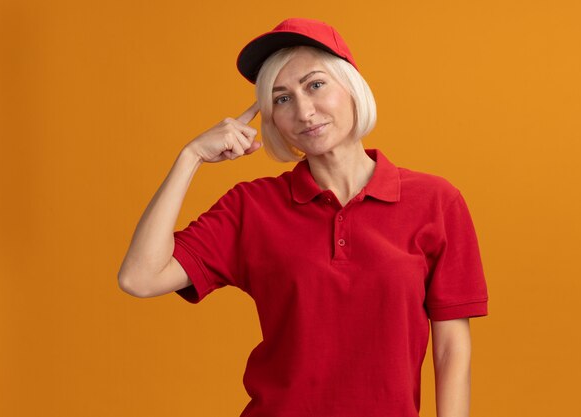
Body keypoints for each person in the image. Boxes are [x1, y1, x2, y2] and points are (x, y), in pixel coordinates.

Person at [118, 17, 489, 417]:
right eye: (281, 99)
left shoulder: (436, 201)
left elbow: (451, 349)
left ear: (351, 87)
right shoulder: (252, 207)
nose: (304, 111)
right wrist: (189, 158)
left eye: (315, 85)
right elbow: (139, 277)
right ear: (273, 119)